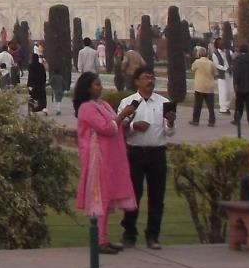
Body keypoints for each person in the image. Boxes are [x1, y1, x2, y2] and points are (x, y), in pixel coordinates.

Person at [71, 72, 137, 254]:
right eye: (96, 84)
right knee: (99, 198)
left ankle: (104, 238)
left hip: (111, 159)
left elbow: (115, 126)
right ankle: (99, 240)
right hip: (97, 159)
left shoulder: (104, 105)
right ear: (87, 88)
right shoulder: (86, 108)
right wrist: (122, 115)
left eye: (100, 84)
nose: (100, 87)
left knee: (106, 199)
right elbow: (106, 128)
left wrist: (126, 122)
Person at [118, 68, 174, 250]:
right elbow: (120, 129)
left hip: (157, 153)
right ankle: (129, 234)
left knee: (157, 196)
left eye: (152, 77)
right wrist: (135, 126)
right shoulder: (128, 103)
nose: (150, 80)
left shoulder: (164, 102)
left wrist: (171, 122)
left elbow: (169, 132)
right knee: (133, 195)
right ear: (137, 81)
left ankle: (153, 235)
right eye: (146, 77)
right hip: (135, 153)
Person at [231, 44, 249, 128]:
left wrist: (235, 82)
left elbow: (237, 72)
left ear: (240, 50)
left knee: (239, 104)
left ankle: (237, 119)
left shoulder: (238, 60)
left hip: (240, 85)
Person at [189, 46, 217, 125]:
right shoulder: (211, 63)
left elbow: (192, 69)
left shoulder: (197, 62)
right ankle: (212, 121)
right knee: (210, 106)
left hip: (199, 86)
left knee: (197, 105)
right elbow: (215, 74)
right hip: (209, 87)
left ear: (199, 54)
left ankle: (195, 120)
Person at [213, 40, 233, 115]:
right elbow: (216, 65)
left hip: (230, 74)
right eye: (221, 44)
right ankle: (223, 109)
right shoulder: (215, 54)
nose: (223, 45)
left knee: (231, 91)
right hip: (222, 75)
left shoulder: (229, 52)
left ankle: (227, 107)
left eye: (223, 43)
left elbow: (233, 60)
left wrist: (232, 66)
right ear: (218, 45)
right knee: (223, 92)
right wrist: (225, 68)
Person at [27, 46, 48, 114]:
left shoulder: (30, 66)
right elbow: (44, 75)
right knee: (42, 99)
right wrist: (44, 83)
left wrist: (29, 85)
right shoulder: (41, 66)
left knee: (32, 98)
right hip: (40, 85)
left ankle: (31, 110)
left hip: (33, 85)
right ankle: (43, 108)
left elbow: (30, 76)